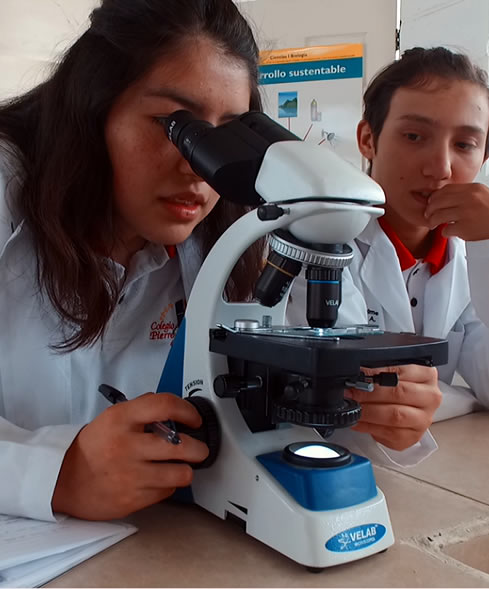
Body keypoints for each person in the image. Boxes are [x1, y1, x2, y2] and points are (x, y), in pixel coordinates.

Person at [0, 0, 440, 523]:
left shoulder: (236, 224)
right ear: (93, 111)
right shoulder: (7, 186)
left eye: (227, 132)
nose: (200, 167)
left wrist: (388, 409)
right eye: (173, 125)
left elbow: (332, 369)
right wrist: (52, 471)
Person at [346, 47, 489, 437]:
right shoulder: (326, 247)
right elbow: (356, 403)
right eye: (414, 136)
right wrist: (461, 400)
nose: (440, 168)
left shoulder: (464, 257)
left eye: (464, 145)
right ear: (368, 140)